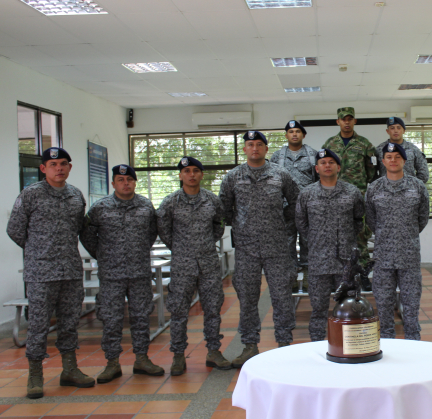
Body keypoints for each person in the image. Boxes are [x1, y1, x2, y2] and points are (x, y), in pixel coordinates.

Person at [7, 147, 94, 399]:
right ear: (43, 168)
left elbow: (79, 229)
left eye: (63, 164)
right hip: (41, 272)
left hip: (70, 270)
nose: (59, 168)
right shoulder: (30, 194)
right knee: (38, 325)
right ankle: (35, 375)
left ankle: (70, 370)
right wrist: (37, 250)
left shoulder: (76, 196)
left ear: (69, 167)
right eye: (53, 164)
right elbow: (15, 229)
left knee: (70, 323)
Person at [220, 131, 300, 368]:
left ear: (266, 149)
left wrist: (280, 222)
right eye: (250, 144)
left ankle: (284, 344)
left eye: (259, 145)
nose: (254, 148)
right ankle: (249, 346)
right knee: (247, 297)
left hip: (277, 246)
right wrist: (242, 225)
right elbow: (224, 208)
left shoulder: (281, 174)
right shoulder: (233, 177)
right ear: (244, 149)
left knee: (282, 297)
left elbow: (295, 203)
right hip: (246, 248)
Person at [80, 164, 163, 384]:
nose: (125, 183)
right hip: (111, 274)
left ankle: (142, 359)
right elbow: (87, 234)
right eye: (120, 179)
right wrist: (102, 254)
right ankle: (112, 363)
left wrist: (137, 251)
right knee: (111, 318)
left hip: (139, 272)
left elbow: (152, 233)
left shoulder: (145, 206)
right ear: (113, 183)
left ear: (135, 182)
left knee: (141, 316)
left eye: (129, 179)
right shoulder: (100, 207)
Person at [157, 157, 230, 375]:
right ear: (180, 175)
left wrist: (206, 245)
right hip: (182, 265)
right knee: (179, 311)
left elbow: (219, 226)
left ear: (201, 174)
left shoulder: (212, 200)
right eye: (186, 171)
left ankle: (213, 351)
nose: (191, 175)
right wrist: (181, 248)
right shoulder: (170, 202)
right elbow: (164, 230)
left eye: (196, 170)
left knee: (213, 309)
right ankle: (178, 356)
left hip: (208, 263)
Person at [295, 149, 365, 341]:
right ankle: (317, 345)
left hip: (346, 264)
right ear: (317, 168)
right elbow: (301, 222)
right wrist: (317, 240)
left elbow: (359, 220)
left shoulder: (352, 192)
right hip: (319, 261)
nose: (327, 165)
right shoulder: (307, 194)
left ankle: (350, 345)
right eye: (323, 162)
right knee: (318, 308)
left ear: (338, 167)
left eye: (331, 162)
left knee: (350, 307)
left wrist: (346, 239)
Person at [365, 142, 429, 340]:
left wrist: (405, 234)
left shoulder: (417, 186)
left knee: (411, 304)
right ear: (383, 161)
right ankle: (387, 343)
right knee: (383, 304)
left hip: (409, 255)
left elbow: (422, 218)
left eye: (397, 157)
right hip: (383, 256)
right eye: (389, 157)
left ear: (404, 160)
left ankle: (413, 342)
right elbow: (371, 219)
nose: (393, 160)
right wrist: (387, 235)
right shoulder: (374, 188)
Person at [322, 107, 377, 289]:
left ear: (355, 121)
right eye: (343, 119)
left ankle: (362, 275)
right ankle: (336, 276)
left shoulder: (365, 144)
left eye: (350, 119)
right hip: (334, 198)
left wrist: (360, 187)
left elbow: (371, 172)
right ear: (337, 121)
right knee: (334, 237)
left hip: (357, 197)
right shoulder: (329, 144)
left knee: (360, 236)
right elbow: (324, 169)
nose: (346, 122)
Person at [270, 120, 317, 292]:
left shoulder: (313, 154)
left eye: (298, 131)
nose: (294, 134)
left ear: (303, 135)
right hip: (285, 208)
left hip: (308, 208)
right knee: (287, 243)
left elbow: (319, 181)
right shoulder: (277, 156)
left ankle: (307, 276)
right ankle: (289, 277)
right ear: (286, 135)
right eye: (291, 132)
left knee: (308, 242)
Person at [374, 117, 429, 183]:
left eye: (399, 128)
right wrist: (380, 186)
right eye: (392, 128)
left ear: (404, 131)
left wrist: (413, 186)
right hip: (385, 191)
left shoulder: (413, 150)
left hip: (409, 191)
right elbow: (371, 174)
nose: (395, 131)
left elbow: (424, 174)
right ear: (387, 131)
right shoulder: (379, 150)